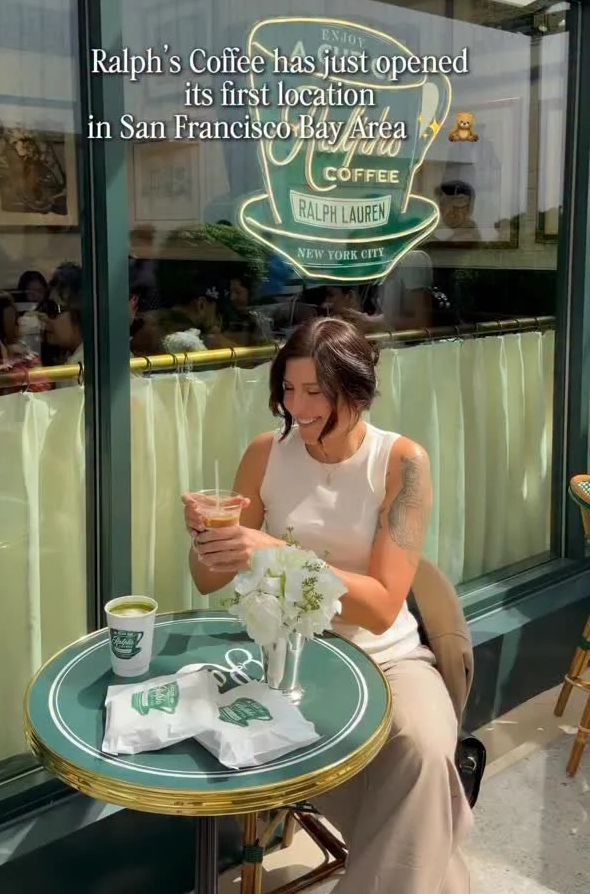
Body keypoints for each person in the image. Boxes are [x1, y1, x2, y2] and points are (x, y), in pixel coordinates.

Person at [182, 317, 472, 893]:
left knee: (425, 751)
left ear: (357, 389)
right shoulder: (267, 453)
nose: (298, 407)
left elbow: (382, 608)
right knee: (424, 818)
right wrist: (207, 538)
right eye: (289, 390)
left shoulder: (402, 462)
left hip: (388, 658)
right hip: (286, 658)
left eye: (316, 391)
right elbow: (207, 580)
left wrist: (273, 552)